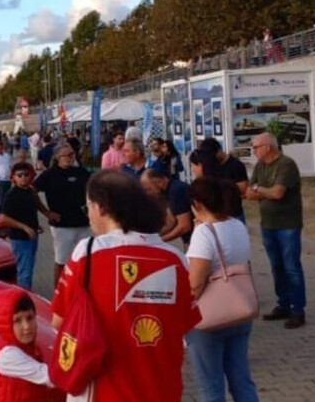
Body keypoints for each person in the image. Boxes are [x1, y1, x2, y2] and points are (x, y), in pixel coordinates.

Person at [51, 170, 200, 401]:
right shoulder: (176, 259)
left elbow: (59, 321)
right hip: (162, 389)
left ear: (100, 207)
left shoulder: (88, 252)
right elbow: (185, 323)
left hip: (104, 391)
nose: (88, 216)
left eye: (87, 207)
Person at [185, 176, 260, 402]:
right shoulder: (237, 225)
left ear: (198, 204)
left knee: (211, 386)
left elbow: (196, 283)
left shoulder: (204, 233)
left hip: (209, 316)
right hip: (239, 308)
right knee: (241, 380)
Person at [246, 132, 306, 329]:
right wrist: (262, 190)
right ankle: (283, 304)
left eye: (256, 147)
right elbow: (249, 193)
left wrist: (259, 189)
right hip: (268, 224)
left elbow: (278, 193)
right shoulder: (260, 166)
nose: (254, 151)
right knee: (276, 267)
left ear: (268, 147)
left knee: (291, 267)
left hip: (287, 224)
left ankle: (298, 310)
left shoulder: (286, 164)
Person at [0, 288, 64, 402]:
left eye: (29, 318)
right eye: (17, 321)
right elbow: (50, 377)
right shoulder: (8, 354)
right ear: (5, 324)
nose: (26, 326)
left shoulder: (25, 346)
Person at [33, 144, 86, 285]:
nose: (70, 157)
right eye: (66, 155)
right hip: (62, 225)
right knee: (62, 260)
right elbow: (31, 191)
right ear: (57, 157)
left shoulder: (81, 172)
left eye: (72, 154)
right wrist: (46, 212)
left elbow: (94, 189)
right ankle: (58, 291)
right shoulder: (49, 174)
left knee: (86, 260)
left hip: (84, 223)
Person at [0, 162, 52, 289]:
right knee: (25, 270)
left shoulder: (30, 190)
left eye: (26, 174)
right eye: (19, 175)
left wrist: (40, 220)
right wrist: (25, 227)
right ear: (14, 177)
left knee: (29, 266)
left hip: (32, 236)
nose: (23, 177)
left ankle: (26, 290)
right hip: (20, 238)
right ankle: (24, 294)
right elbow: (4, 218)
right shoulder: (11, 195)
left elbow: (35, 206)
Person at [194, 138, 248, 222]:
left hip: (234, 213)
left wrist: (221, 186)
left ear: (219, 151)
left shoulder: (236, 165)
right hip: (217, 214)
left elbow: (243, 187)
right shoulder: (210, 166)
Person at [142, 168, 193, 246]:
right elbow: (171, 220)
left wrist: (158, 241)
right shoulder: (167, 191)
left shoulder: (176, 191)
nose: (147, 193)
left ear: (159, 182)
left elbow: (185, 226)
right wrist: (152, 236)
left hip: (194, 239)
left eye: (149, 189)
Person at [0, 141, 13, 207]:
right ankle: (1, 210)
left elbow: (10, 166)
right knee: (1, 197)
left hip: (8, 179)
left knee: (8, 196)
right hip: (1, 180)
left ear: (2, 148)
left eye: (0, 148)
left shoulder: (7, 156)